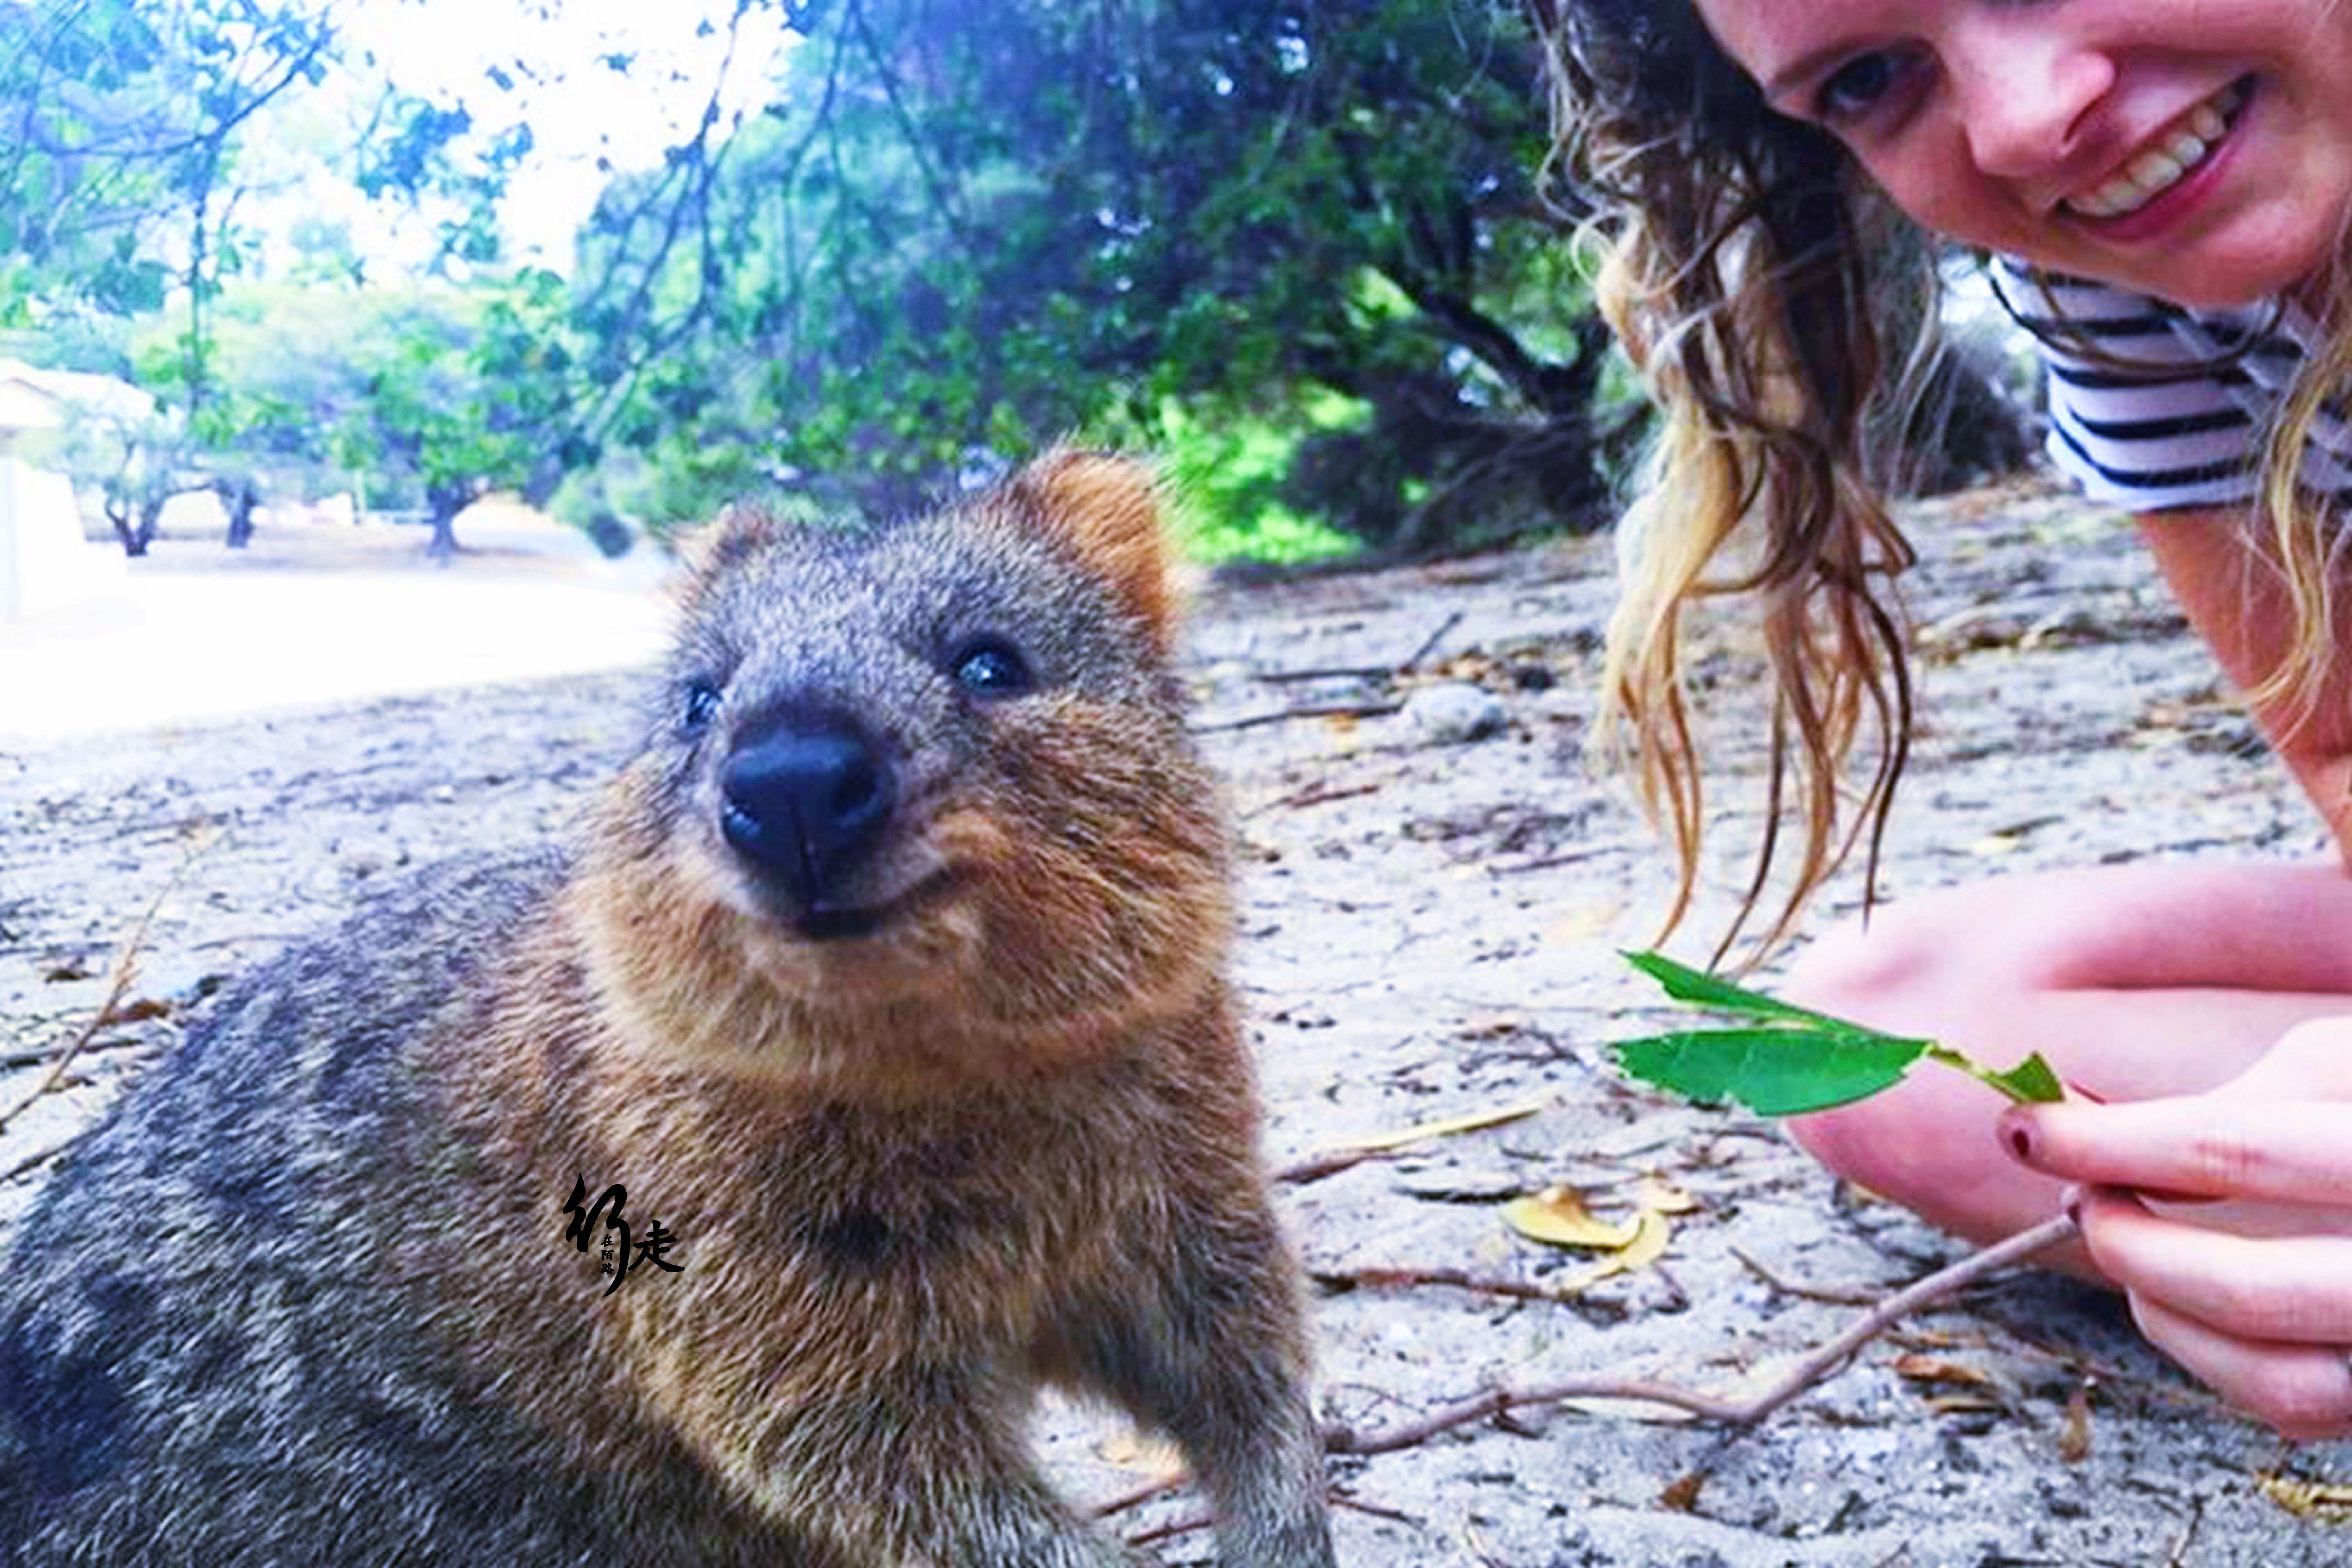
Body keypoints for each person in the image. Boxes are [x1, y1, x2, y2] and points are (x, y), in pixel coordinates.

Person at [1536, 0, 2352, 1441]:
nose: (2029, 120)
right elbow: (2339, 753)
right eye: (1867, 76)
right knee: (1870, 1029)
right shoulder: (2143, 281)